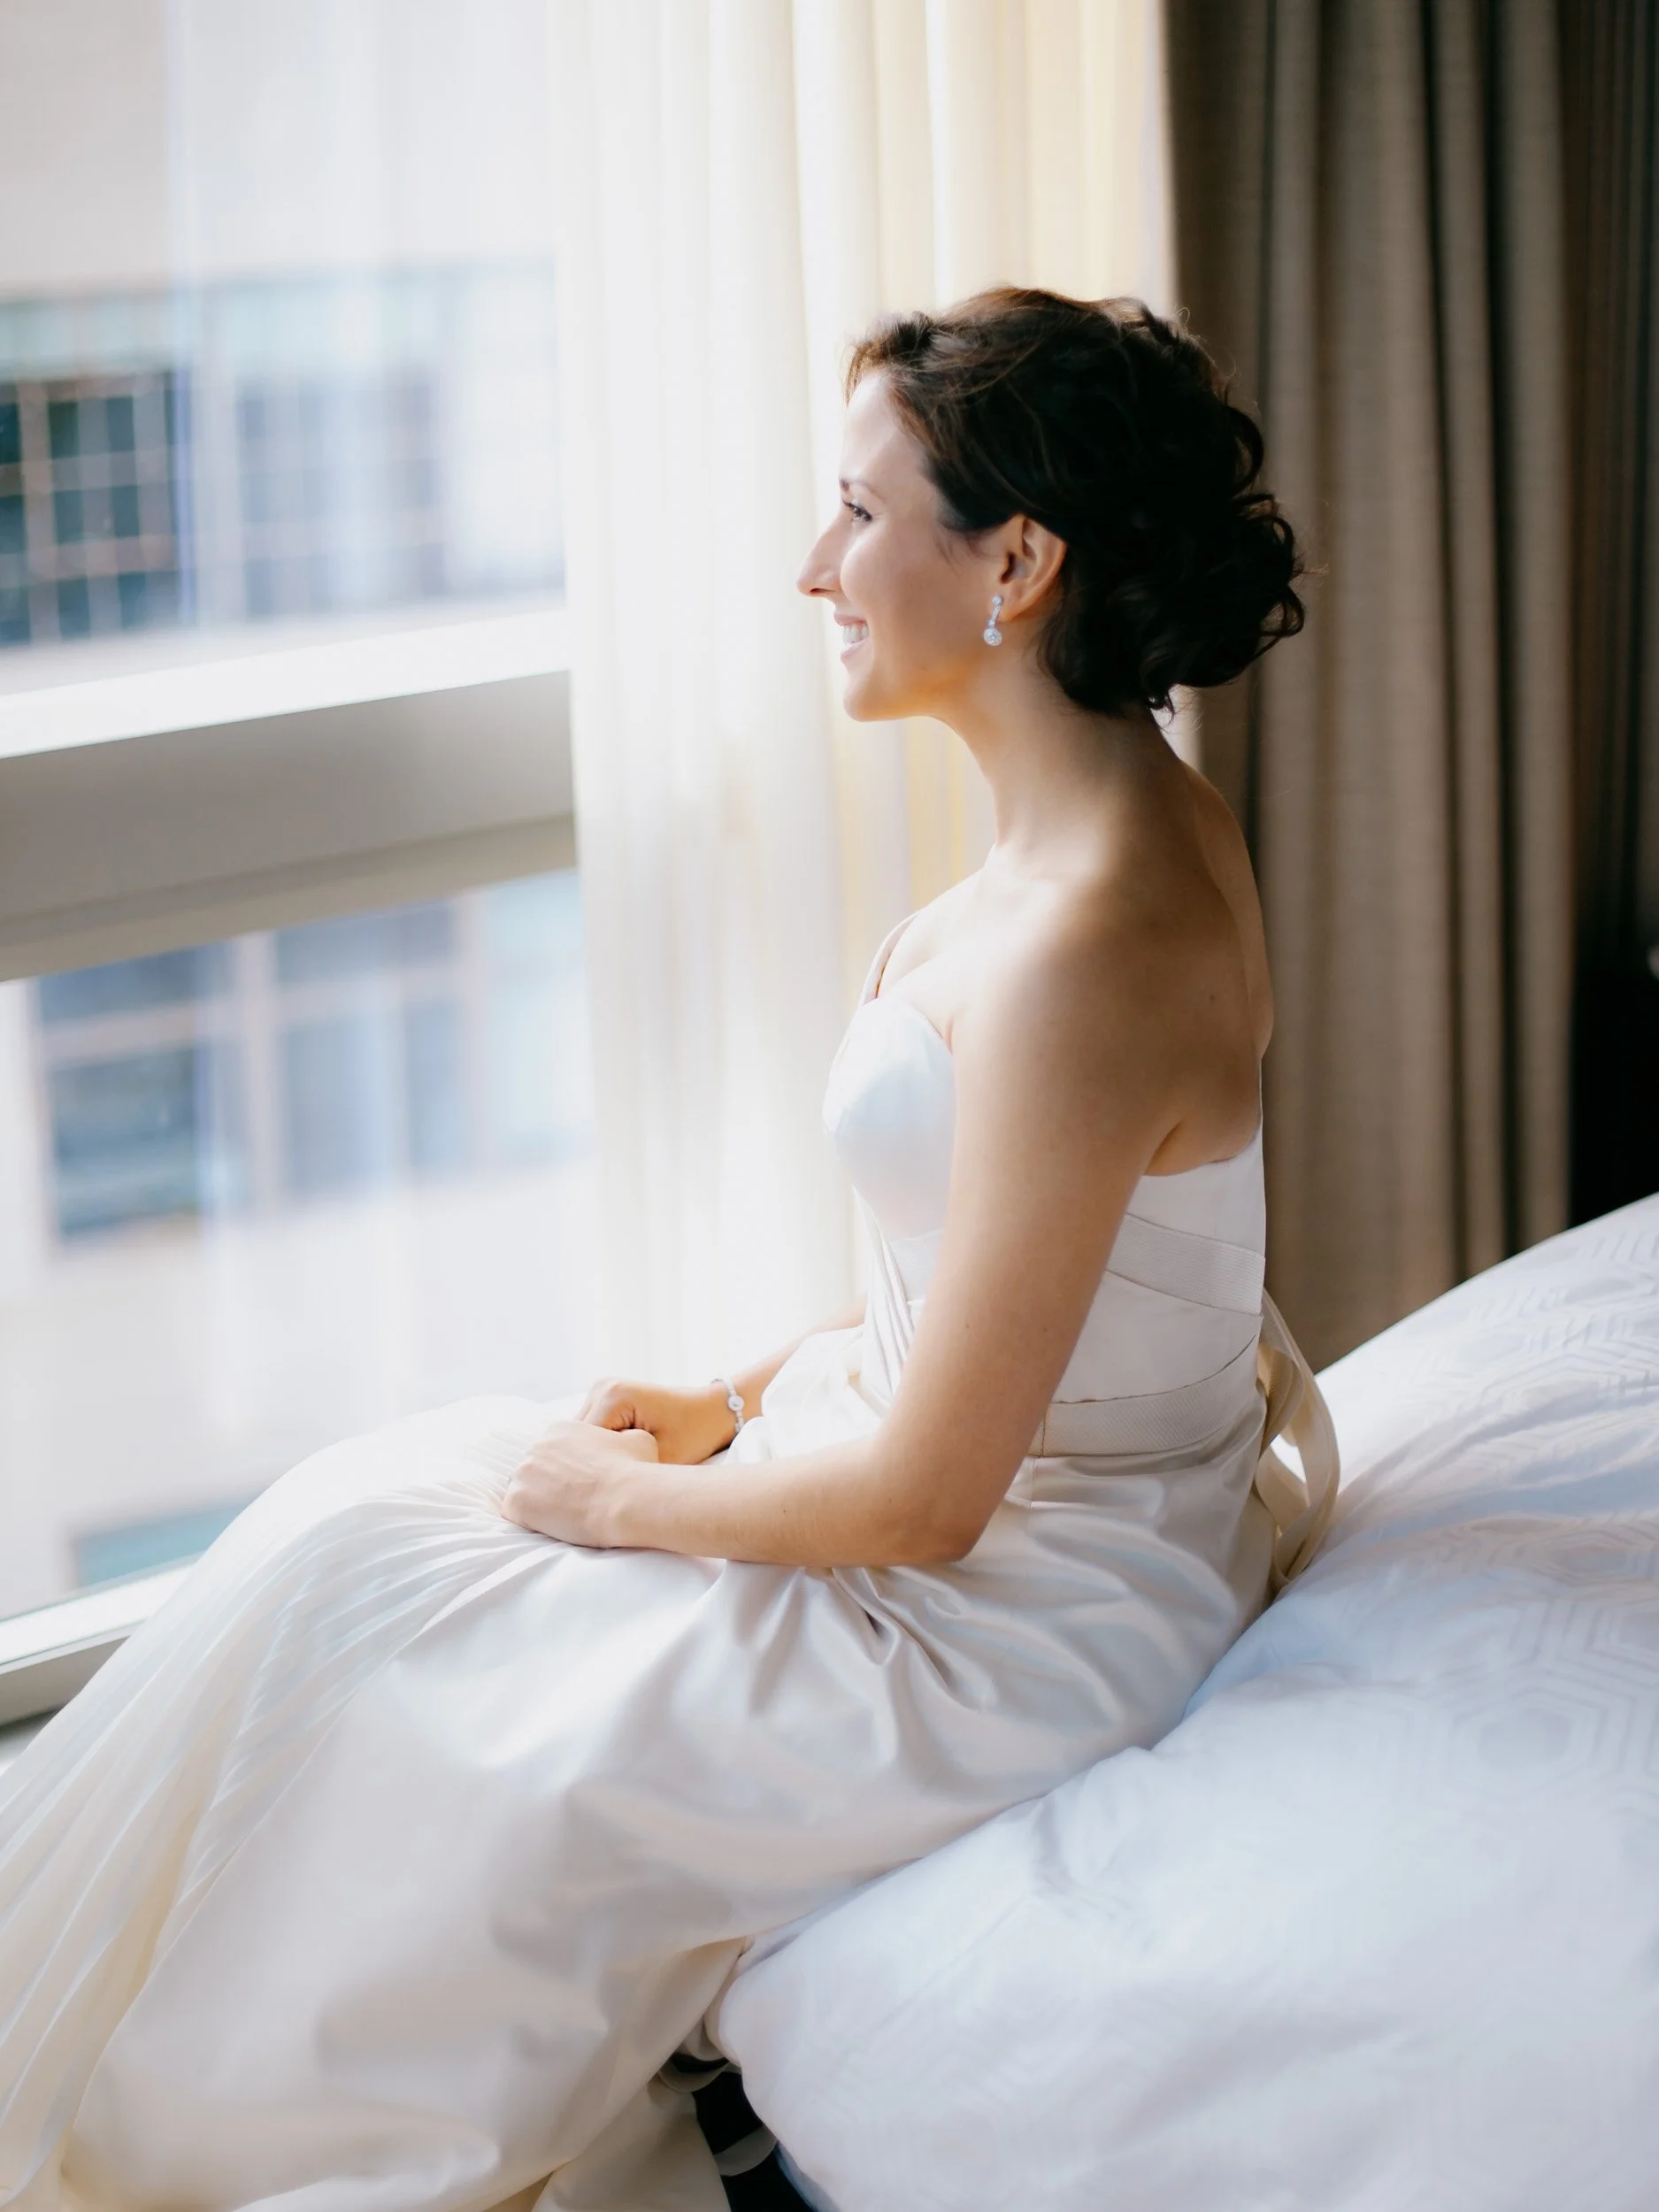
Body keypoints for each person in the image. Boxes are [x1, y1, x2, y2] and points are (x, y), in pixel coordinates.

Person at [0, 288, 1335, 2212]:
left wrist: (614, 1506)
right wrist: (723, 1401)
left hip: (1022, 1608)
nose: (818, 566)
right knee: (360, 1526)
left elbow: (943, 1495)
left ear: (1016, 562)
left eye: (861, 513)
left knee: (453, 1689)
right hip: (952, 1482)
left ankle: (213, 2157)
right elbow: (995, 1272)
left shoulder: (1092, 939)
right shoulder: (1093, 830)